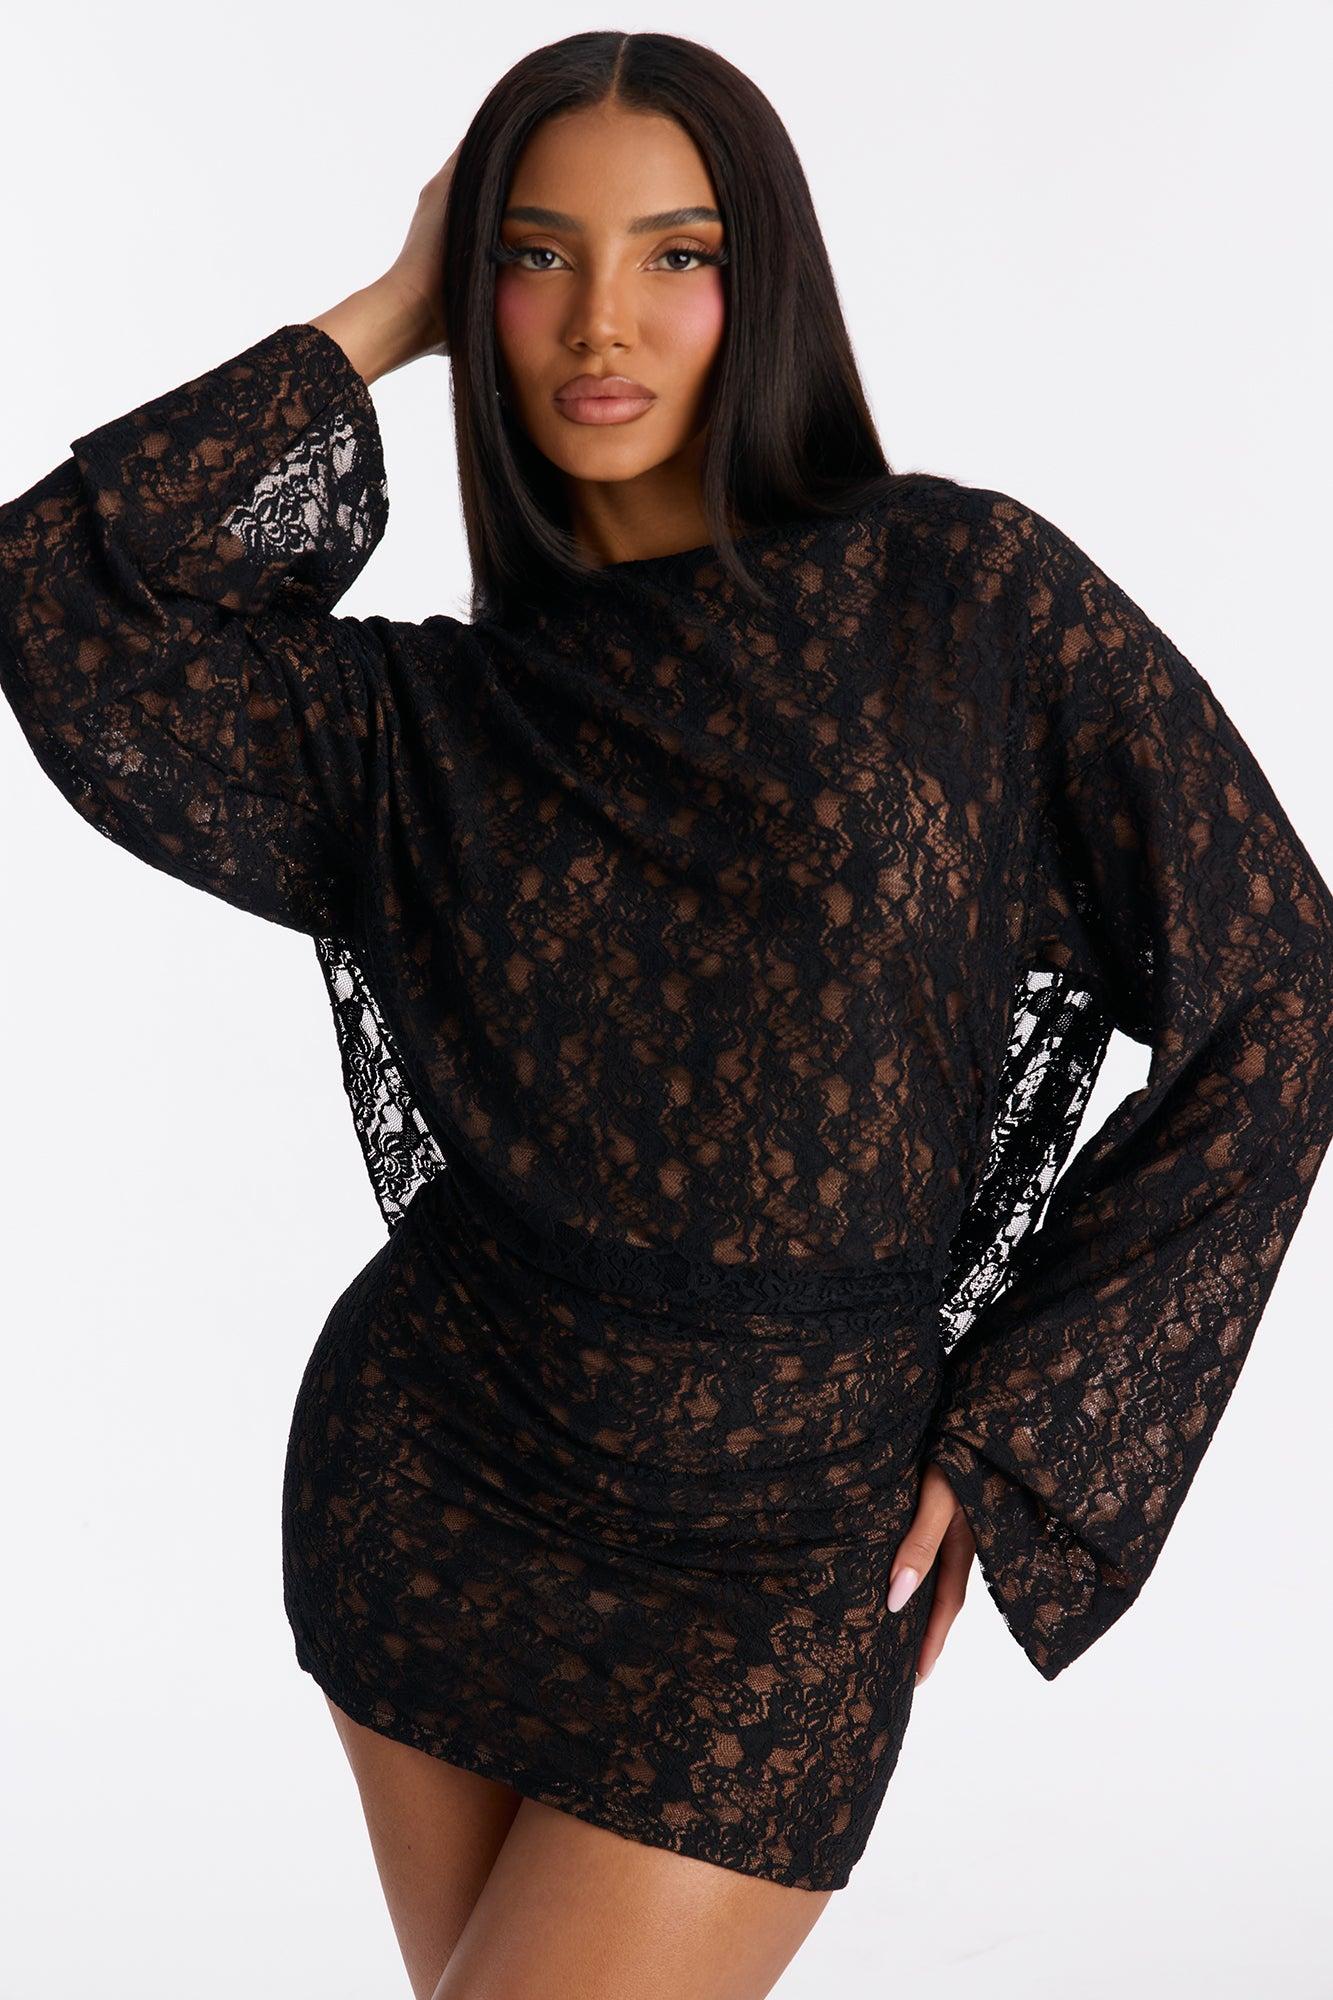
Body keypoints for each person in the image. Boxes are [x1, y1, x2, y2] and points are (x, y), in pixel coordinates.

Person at [2, 28, 1332, 2000]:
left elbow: (1283, 986)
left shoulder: (961, 599)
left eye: (675, 255)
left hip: (789, 1559)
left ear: (761, 283)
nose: (599, 321)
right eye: (533, 257)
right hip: (439, 1478)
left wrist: (1026, 1424)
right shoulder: (419, 721)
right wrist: (389, 309)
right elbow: (55, 599)